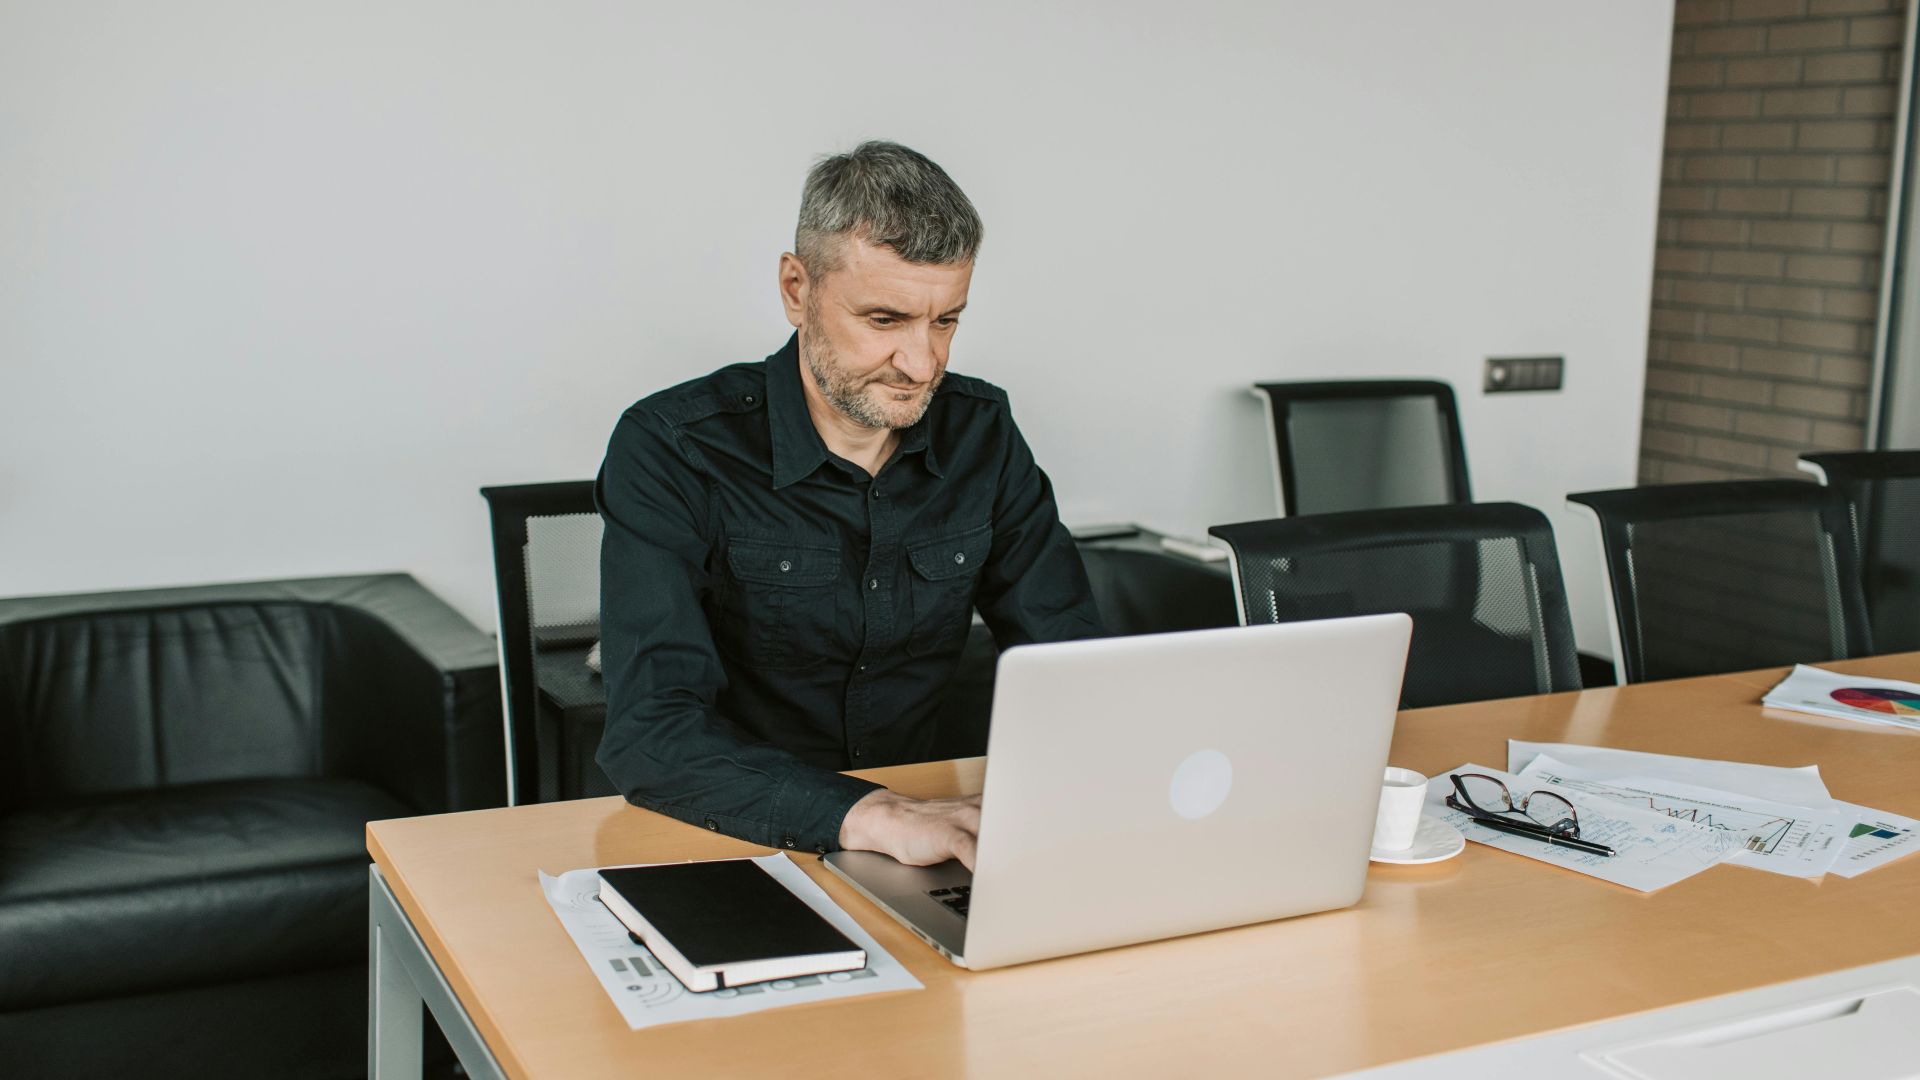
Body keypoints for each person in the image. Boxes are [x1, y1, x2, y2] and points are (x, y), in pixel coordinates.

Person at [595, 140, 1102, 871]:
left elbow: (1072, 660)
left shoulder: (980, 432)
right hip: (728, 836)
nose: (922, 365)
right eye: (885, 320)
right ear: (797, 289)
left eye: (946, 321)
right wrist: (869, 815)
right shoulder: (672, 447)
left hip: (926, 838)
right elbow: (651, 733)